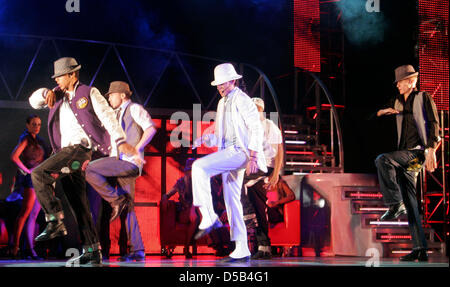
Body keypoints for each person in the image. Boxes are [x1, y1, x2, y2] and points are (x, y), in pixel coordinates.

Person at [28, 57, 138, 265]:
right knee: (79, 203)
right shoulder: (55, 96)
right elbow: (32, 101)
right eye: (56, 77)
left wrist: (120, 140)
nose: (57, 80)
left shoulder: (89, 92)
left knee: (38, 174)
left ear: (73, 75)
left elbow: (107, 116)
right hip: (65, 154)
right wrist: (45, 93)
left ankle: (54, 220)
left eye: (61, 76)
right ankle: (92, 250)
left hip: (79, 150)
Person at [191, 63, 267, 262]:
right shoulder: (222, 103)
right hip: (228, 152)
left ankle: (208, 215)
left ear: (233, 80)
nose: (220, 87)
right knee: (232, 201)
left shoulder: (243, 100)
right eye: (218, 84)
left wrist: (253, 156)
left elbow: (255, 128)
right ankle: (241, 248)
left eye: (223, 83)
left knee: (198, 167)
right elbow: (221, 135)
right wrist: (205, 140)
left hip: (240, 152)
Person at [374, 65, 440, 262]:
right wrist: (382, 112)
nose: (398, 86)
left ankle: (395, 203)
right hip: (405, 157)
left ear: (411, 82)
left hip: (418, 153)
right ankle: (420, 248)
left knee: (383, 159)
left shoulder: (423, 97)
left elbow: (435, 124)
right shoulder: (397, 102)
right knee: (412, 203)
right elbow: (375, 114)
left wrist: (430, 150)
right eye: (397, 83)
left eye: (401, 82)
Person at [85, 81, 156, 262]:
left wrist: (137, 149)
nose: (108, 97)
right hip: (117, 162)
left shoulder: (134, 109)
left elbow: (150, 128)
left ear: (122, 95)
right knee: (128, 207)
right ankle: (138, 250)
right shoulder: (113, 114)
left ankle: (117, 200)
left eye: (111, 95)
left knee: (90, 169)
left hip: (128, 163)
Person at [241, 97, 295, 259]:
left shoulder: (269, 126)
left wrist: (276, 173)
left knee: (236, 179)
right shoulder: (249, 128)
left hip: (265, 167)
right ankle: (264, 247)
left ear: (261, 110)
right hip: (254, 168)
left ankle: (247, 214)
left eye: (256, 108)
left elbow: (278, 151)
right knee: (259, 208)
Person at [8, 115, 49, 259]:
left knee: (33, 215)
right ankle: (15, 248)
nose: (37, 127)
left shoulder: (38, 140)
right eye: (34, 124)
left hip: (39, 180)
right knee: (25, 214)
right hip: (31, 180)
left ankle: (30, 250)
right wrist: (27, 170)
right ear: (27, 125)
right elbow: (14, 156)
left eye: (38, 124)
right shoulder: (25, 138)